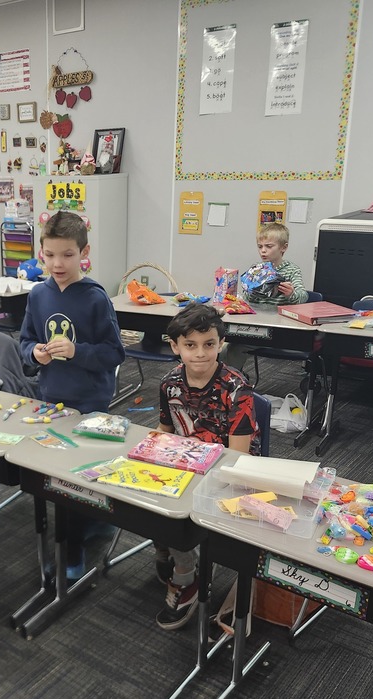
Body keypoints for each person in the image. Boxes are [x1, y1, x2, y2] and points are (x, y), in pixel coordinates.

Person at [19, 211, 126, 578]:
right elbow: (25, 341)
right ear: (41, 252)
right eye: (49, 255)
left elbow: (114, 353)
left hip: (90, 404)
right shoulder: (38, 294)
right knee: (55, 476)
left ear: (84, 252)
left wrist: (77, 352)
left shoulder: (95, 298)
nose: (57, 263)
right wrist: (33, 353)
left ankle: (74, 552)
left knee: (76, 480)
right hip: (51, 400)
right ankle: (90, 526)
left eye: (67, 254)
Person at [155, 303, 261, 630]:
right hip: (186, 464)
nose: (200, 353)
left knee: (174, 509)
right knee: (146, 494)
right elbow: (165, 432)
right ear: (175, 347)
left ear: (220, 344)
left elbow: (238, 456)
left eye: (209, 344)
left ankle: (187, 576)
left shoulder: (236, 388)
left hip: (230, 471)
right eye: (190, 345)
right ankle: (171, 551)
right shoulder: (169, 384)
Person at [221, 222, 309, 372]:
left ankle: (231, 380)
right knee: (225, 346)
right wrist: (249, 292)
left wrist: (291, 294)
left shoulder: (292, 270)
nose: (263, 251)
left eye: (269, 246)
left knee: (233, 348)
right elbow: (250, 300)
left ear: (283, 247)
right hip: (256, 323)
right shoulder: (257, 269)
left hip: (278, 329)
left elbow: (303, 297)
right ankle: (228, 380)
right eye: (260, 246)